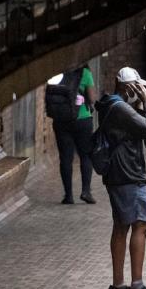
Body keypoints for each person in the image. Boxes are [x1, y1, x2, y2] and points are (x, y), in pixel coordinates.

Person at [96, 67, 146, 289]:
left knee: (121, 226)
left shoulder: (112, 105)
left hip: (118, 173)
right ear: (129, 87)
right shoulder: (121, 109)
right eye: (139, 88)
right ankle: (136, 286)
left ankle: (118, 285)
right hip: (129, 174)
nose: (142, 91)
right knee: (140, 224)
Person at [53, 64, 97, 204]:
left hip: (61, 120)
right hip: (82, 120)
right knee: (85, 156)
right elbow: (91, 99)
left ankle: (68, 195)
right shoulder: (85, 73)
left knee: (65, 158)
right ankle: (86, 191)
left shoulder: (57, 71)